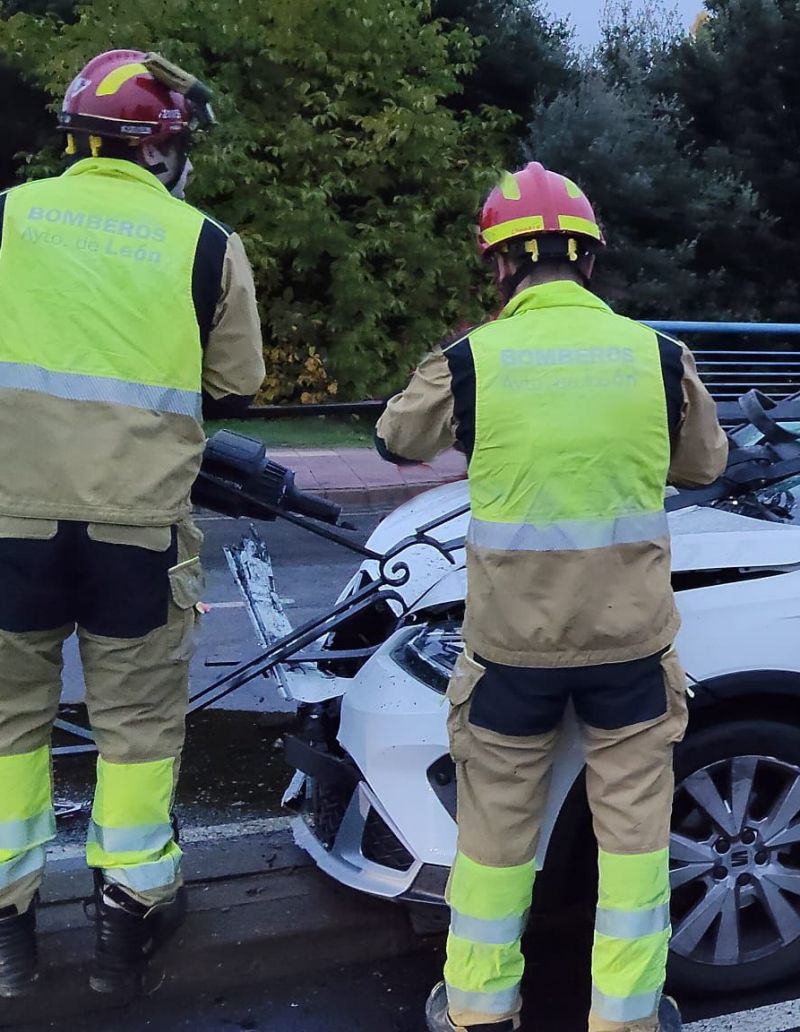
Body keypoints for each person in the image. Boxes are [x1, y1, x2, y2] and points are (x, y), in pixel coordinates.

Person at [375, 162, 728, 1032]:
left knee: (494, 839)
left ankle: (479, 1012)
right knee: (635, 843)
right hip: (631, 653)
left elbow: (396, 438)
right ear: (590, 261)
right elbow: (706, 465)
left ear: (500, 267)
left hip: (510, 658)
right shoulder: (657, 356)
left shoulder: (472, 360)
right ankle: (627, 1014)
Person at [0, 50, 265, 998]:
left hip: (7, 525)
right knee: (137, 735)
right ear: (161, 149)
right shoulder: (204, 243)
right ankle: (127, 928)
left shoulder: (6, 218)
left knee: (6, 733)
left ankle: (7, 937)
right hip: (138, 535)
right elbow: (235, 384)